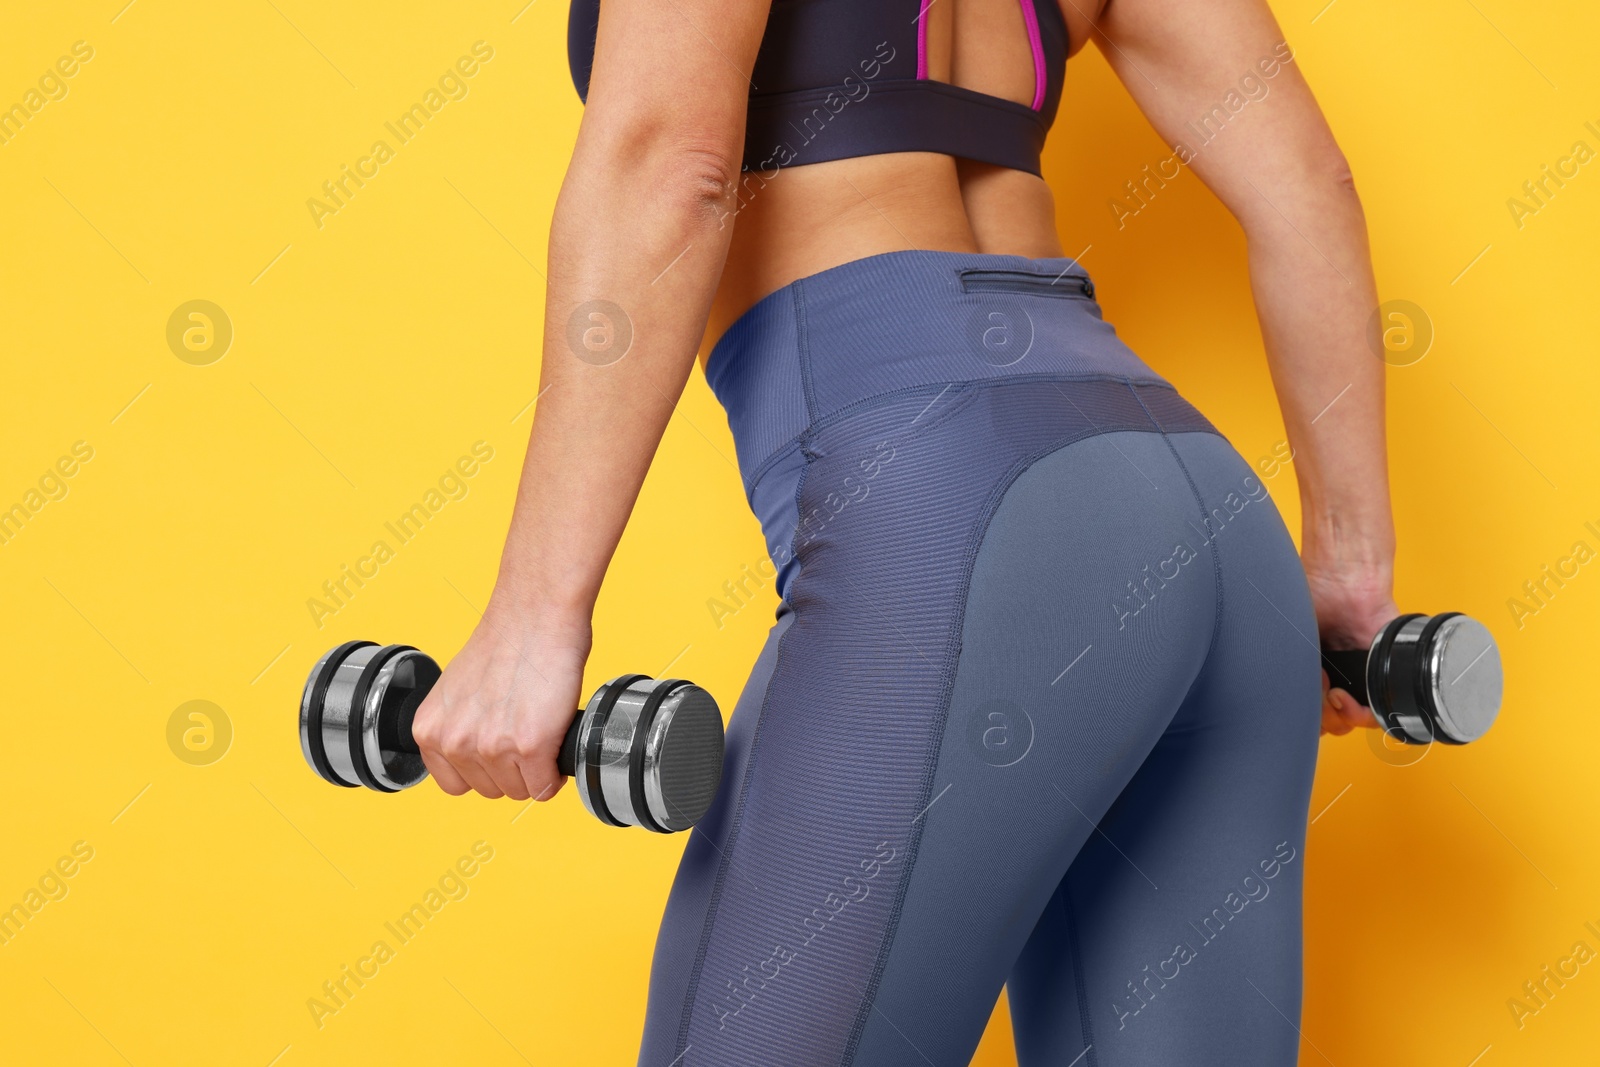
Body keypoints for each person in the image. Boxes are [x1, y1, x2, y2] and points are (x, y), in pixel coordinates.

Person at [411, 0, 1396, 1060]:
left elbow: (671, 159)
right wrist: (1346, 574)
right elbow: (1306, 183)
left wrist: (535, 618)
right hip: (1208, 519)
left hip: (963, 512)